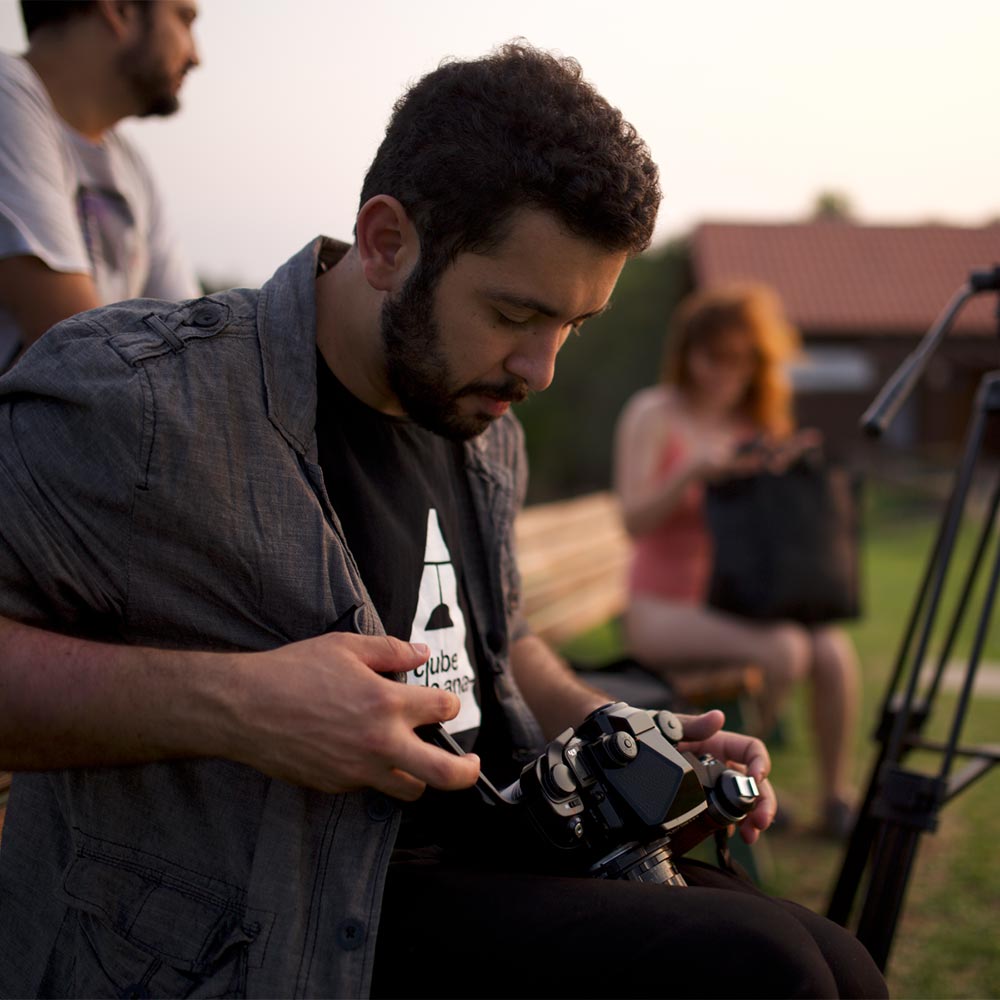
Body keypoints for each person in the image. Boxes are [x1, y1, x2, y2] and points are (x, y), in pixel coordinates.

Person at [0, 44, 886, 999]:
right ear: (386, 243)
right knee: (770, 971)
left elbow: (502, 652)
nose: (541, 370)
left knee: (837, 962)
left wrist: (635, 737)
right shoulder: (140, 403)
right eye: (515, 313)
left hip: (497, 854)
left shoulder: (479, 420)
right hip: (290, 925)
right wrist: (246, 706)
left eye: (574, 328)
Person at [613, 283, 861, 839]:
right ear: (688, 353)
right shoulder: (655, 412)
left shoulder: (753, 425)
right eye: (715, 357)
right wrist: (690, 472)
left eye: (743, 360)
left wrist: (785, 473)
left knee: (833, 650)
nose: (727, 373)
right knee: (785, 647)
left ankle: (835, 796)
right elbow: (633, 521)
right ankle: (739, 779)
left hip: (739, 601)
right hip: (661, 607)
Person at [0, 0, 201, 371]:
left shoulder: (132, 166)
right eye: (184, 19)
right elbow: (79, 350)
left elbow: (192, 348)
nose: (196, 55)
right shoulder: (5, 93)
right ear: (120, 9)